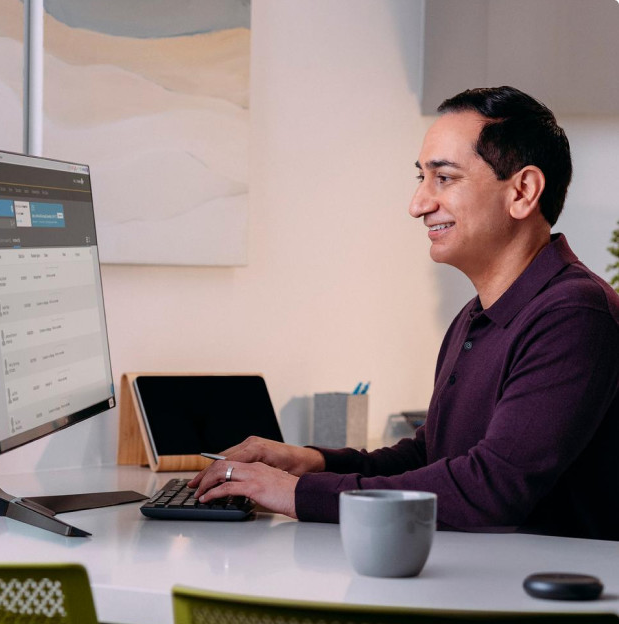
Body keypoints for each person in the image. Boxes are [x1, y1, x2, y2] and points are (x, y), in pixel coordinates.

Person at [189, 86, 619, 541]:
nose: (418, 205)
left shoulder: (575, 315)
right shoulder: (478, 316)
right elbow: (432, 456)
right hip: (482, 580)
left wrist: (298, 494)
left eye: (445, 178)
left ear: (523, 191)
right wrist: (312, 462)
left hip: (540, 604)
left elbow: (491, 488)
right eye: (422, 178)